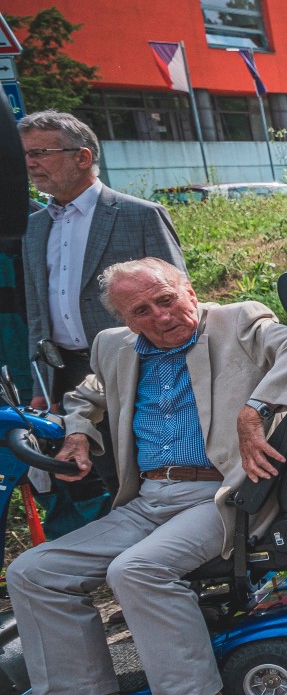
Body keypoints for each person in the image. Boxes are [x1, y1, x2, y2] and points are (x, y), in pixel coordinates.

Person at [10, 258, 287, 695]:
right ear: (125, 319)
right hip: (149, 497)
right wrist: (78, 432)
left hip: (222, 496)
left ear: (189, 290)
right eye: (141, 310)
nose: (160, 316)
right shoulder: (114, 346)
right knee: (34, 571)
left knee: (136, 570)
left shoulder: (238, 321)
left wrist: (254, 410)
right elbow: (86, 394)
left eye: (166, 299)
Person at [18, 110, 187, 538]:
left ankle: (163, 557)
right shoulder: (34, 227)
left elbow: (178, 298)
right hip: (65, 370)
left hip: (135, 365)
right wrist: (40, 384)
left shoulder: (138, 215)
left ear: (82, 156)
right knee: (88, 474)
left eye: (40, 152)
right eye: (25, 155)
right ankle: (112, 557)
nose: (30, 163)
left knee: (139, 472)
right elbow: (37, 309)